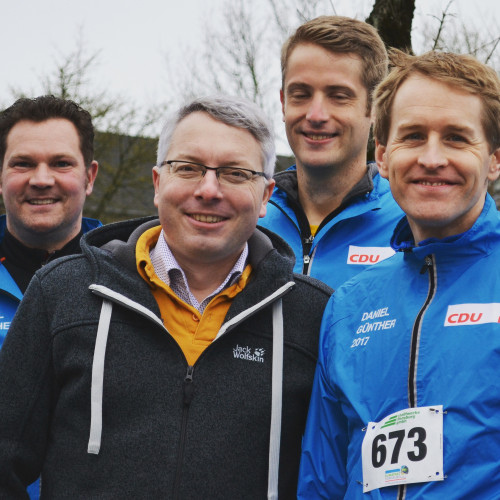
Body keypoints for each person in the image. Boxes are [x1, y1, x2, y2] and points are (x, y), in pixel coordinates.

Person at [0, 95, 332, 499]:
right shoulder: (62, 293)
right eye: (188, 168)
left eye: (234, 173)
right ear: (158, 184)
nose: (209, 190)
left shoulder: (313, 316)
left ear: (265, 196)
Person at [298, 49, 500, 498]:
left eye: (456, 138)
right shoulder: (350, 304)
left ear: (494, 160)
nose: (431, 158)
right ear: (383, 156)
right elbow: (323, 477)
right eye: (412, 136)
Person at [259, 15, 403, 289]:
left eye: (338, 96)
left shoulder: (410, 224)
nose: (316, 115)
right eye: (301, 94)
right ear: (282, 103)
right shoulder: (247, 218)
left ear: (375, 107)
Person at [0, 95, 100, 347]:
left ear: (90, 177)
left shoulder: (132, 282)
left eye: (61, 163)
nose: (41, 180)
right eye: (23, 164)